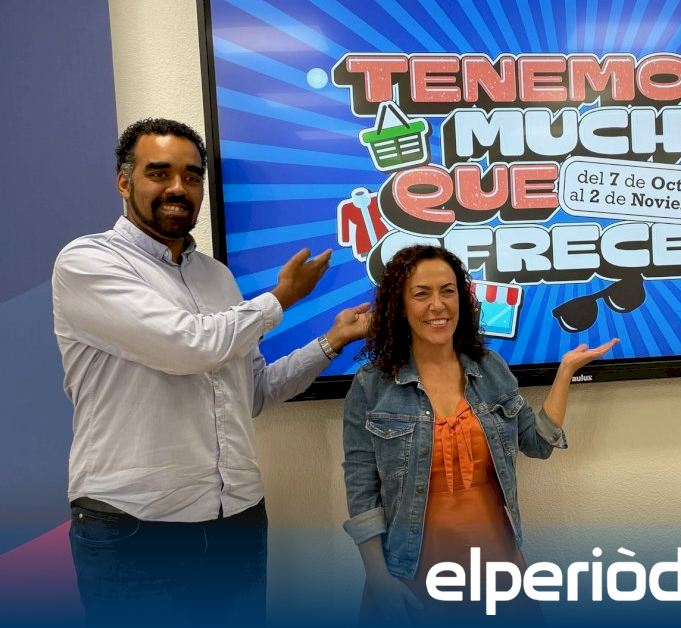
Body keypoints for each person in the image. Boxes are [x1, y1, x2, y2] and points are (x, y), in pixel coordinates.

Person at [52, 118, 371, 626]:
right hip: (137, 528)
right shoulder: (88, 262)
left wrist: (331, 341)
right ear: (124, 182)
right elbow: (190, 347)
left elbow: (253, 392)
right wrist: (281, 298)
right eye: (160, 172)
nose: (178, 188)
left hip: (236, 519)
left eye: (192, 176)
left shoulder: (217, 277)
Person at [342, 245, 617, 623]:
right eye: (421, 294)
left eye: (448, 291)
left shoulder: (491, 369)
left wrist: (566, 372)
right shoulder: (371, 385)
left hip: (501, 574)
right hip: (412, 581)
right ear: (400, 306)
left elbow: (537, 444)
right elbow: (362, 492)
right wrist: (378, 578)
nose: (437, 305)